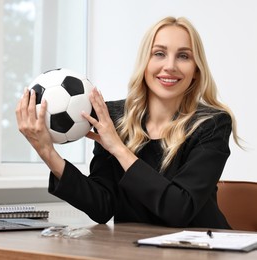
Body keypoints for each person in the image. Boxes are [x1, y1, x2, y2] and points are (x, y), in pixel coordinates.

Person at [16, 16, 242, 229]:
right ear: (145, 63)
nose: (170, 66)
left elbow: (178, 209)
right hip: (135, 250)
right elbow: (102, 206)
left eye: (183, 56)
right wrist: (47, 152)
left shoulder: (212, 125)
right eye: (159, 54)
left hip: (202, 252)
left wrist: (118, 148)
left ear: (195, 71)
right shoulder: (114, 117)